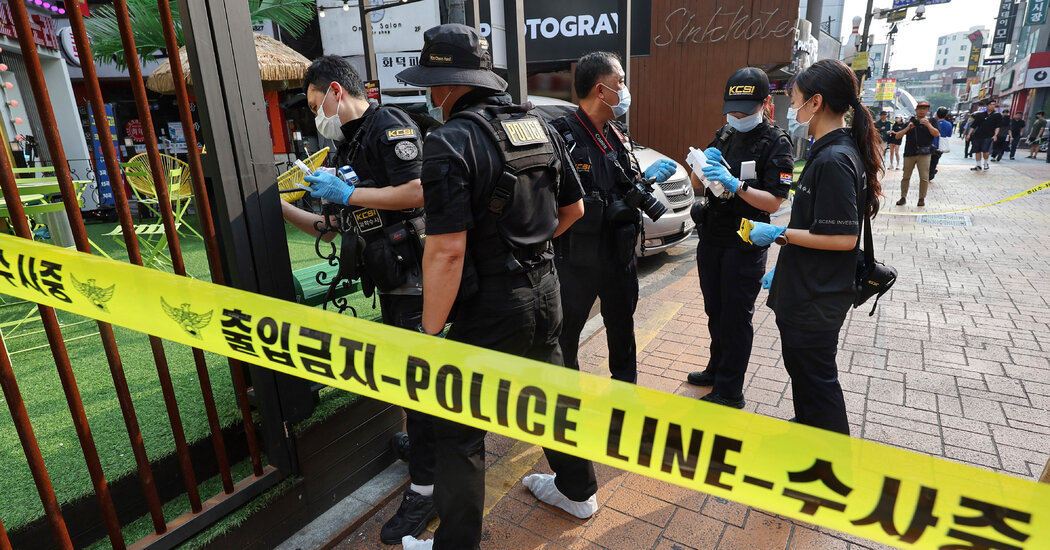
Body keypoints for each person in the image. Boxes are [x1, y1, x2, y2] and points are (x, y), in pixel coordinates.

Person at [395, 24, 596, 550]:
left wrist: (429, 332)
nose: (430, 95)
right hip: (547, 290)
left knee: (458, 430)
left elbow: (446, 250)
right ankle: (579, 491)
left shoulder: (449, 141)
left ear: (447, 85)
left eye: (431, 84)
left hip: (489, 307)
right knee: (552, 397)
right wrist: (525, 250)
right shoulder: (541, 123)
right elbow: (573, 209)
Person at [288, 55, 438, 545]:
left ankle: (427, 486)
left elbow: (418, 191)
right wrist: (280, 206)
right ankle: (421, 448)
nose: (316, 117)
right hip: (390, 280)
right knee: (408, 380)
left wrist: (349, 197)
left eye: (315, 105)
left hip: (416, 279)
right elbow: (329, 228)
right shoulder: (344, 146)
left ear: (335, 91)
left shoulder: (389, 124)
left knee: (420, 383)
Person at [747, 58, 883, 435]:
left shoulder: (834, 159)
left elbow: (843, 238)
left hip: (816, 297)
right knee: (806, 377)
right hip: (808, 288)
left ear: (817, 102)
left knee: (818, 382)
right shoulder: (830, 152)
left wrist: (779, 235)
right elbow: (820, 226)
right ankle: (809, 433)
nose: (793, 107)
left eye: (796, 99)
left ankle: (832, 464)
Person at [549, 52, 677, 384]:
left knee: (623, 333)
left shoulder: (616, 133)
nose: (625, 88)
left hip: (619, 258)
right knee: (566, 340)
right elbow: (553, 203)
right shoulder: (562, 136)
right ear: (601, 90)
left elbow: (625, 181)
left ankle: (624, 402)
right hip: (576, 262)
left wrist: (643, 181)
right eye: (620, 81)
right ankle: (567, 410)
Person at [682, 67, 793, 409]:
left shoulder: (776, 142)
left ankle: (731, 390)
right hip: (712, 237)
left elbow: (775, 200)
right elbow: (699, 182)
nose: (737, 115)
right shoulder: (725, 134)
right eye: (732, 108)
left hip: (745, 241)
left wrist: (738, 186)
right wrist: (699, 167)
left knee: (735, 315)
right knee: (715, 310)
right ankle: (717, 368)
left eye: (745, 109)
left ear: (764, 103)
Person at [892, 100, 939, 207]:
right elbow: (897, 136)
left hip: (925, 153)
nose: (922, 111)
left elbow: (936, 134)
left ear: (928, 110)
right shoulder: (910, 122)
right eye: (920, 108)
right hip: (909, 153)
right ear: (916, 110)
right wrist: (908, 127)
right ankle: (903, 197)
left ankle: (921, 198)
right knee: (906, 176)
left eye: (924, 109)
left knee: (924, 177)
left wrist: (928, 125)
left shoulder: (932, 121)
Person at [966, 99, 1002, 171]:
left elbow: (998, 127)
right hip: (978, 135)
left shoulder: (997, 115)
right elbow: (973, 125)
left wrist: (995, 135)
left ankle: (986, 163)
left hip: (989, 135)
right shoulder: (980, 115)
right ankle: (978, 165)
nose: (992, 106)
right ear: (987, 106)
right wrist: (969, 134)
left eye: (994, 105)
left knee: (985, 150)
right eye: (991, 105)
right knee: (977, 150)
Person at [929, 106, 953, 181]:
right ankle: (932, 172)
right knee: (935, 160)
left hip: (931, 143)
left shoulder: (932, 123)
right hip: (941, 146)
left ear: (937, 114)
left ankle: (930, 172)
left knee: (928, 160)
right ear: (946, 115)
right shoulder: (948, 124)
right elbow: (949, 135)